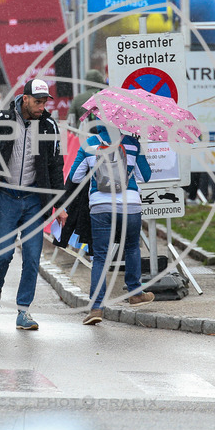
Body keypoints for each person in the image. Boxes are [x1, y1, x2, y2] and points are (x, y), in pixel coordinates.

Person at [0, 79, 67, 330]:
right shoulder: (0, 121)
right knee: (3, 254)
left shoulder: (48, 126)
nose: (42, 106)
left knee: (33, 257)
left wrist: (60, 205)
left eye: (45, 102)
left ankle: (24, 311)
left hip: (35, 200)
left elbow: (57, 167)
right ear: (24, 99)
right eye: (37, 101)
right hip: (5, 197)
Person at [67, 124, 155, 325]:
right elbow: (145, 176)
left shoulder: (89, 144)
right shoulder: (132, 144)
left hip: (101, 206)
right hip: (130, 205)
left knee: (101, 257)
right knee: (132, 247)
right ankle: (135, 293)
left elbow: (75, 176)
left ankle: (97, 307)